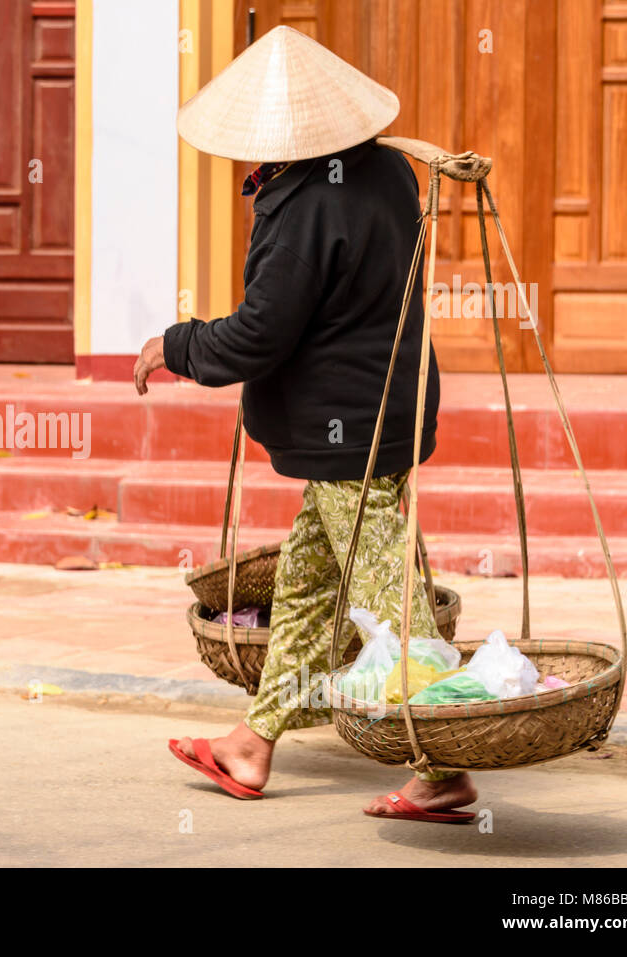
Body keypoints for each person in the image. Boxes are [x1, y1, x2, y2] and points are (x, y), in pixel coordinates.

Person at [133, 26, 476, 823]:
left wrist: (175, 345)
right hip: (380, 414)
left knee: (389, 596)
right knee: (306, 581)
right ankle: (252, 741)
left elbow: (262, 331)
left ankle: (443, 761)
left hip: (346, 429)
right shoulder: (386, 171)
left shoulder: (307, 205)